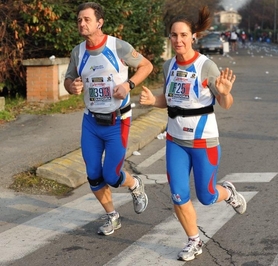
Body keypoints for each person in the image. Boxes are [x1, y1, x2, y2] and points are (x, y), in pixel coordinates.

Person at [139, 6, 247, 262]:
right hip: (176, 141)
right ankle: (194, 240)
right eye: (174, 35)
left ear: (192, 37)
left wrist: (224, 91)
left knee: (207, 196)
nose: (178, 40)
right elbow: (169, 100)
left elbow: (225, 104)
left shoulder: (205, 66)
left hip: (203, 142)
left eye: (183, 35)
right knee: (178, 194)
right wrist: (152, 100)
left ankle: (228, 192)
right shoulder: (169, 66)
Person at [64, 2, 153, 236]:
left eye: (86, 19)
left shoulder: (118, 46)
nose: (81, 23)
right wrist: (71, 86)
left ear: (99, 22)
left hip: (117, 121)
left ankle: (134, 184)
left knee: (112, 176)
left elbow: (146, 65)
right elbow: (69, 79)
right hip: (91, 122)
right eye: (79, 20)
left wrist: (128, 84)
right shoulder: (78, 52)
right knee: (93, 174)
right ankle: (112, 216)